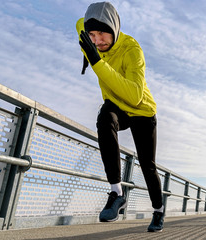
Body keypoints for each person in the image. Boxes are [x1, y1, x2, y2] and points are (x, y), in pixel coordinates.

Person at [76, 1, 164, 232]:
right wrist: (90, 45)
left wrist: (95, 61)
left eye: (103, 33)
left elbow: (135, 96)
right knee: (105, 117)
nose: (97, 41)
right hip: (116, 106)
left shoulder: (132, 50)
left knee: (148, 166)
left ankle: (158, 212)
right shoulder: (84, 31)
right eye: (92, 34)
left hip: (142, 111)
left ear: (115, 29)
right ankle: (116, 193)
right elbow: (79, 24)